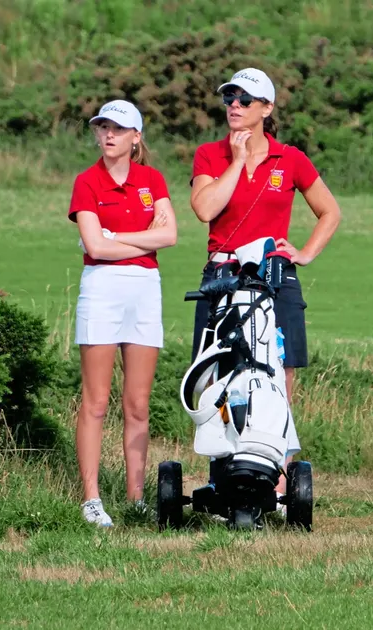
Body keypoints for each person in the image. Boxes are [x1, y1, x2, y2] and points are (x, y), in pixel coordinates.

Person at [189, 68, 342, 507]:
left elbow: (329, 212)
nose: (234, 105)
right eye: (229, 98)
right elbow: (205, 208)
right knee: (217, 374)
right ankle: (223, 473)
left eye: (244, 99)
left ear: (266, 109)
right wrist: (236, 163)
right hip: (222, 276)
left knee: (280, 376)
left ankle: (276, 481)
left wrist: (305, 253)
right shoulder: (209, 155)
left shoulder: (290, 159)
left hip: (276, 278)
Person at [69, 100, 179, 528]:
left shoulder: (152, 179)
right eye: (102, 127)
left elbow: (169, 235)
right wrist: (143, 239)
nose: (108, 135)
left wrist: (121, 237)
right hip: (101, 288)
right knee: (96, 402)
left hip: (145, 290)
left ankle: (135, 498)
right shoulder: (87, 182)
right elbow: (95, 247)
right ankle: (92, 499)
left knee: (137, 403)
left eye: (118, 128)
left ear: (137, 137)